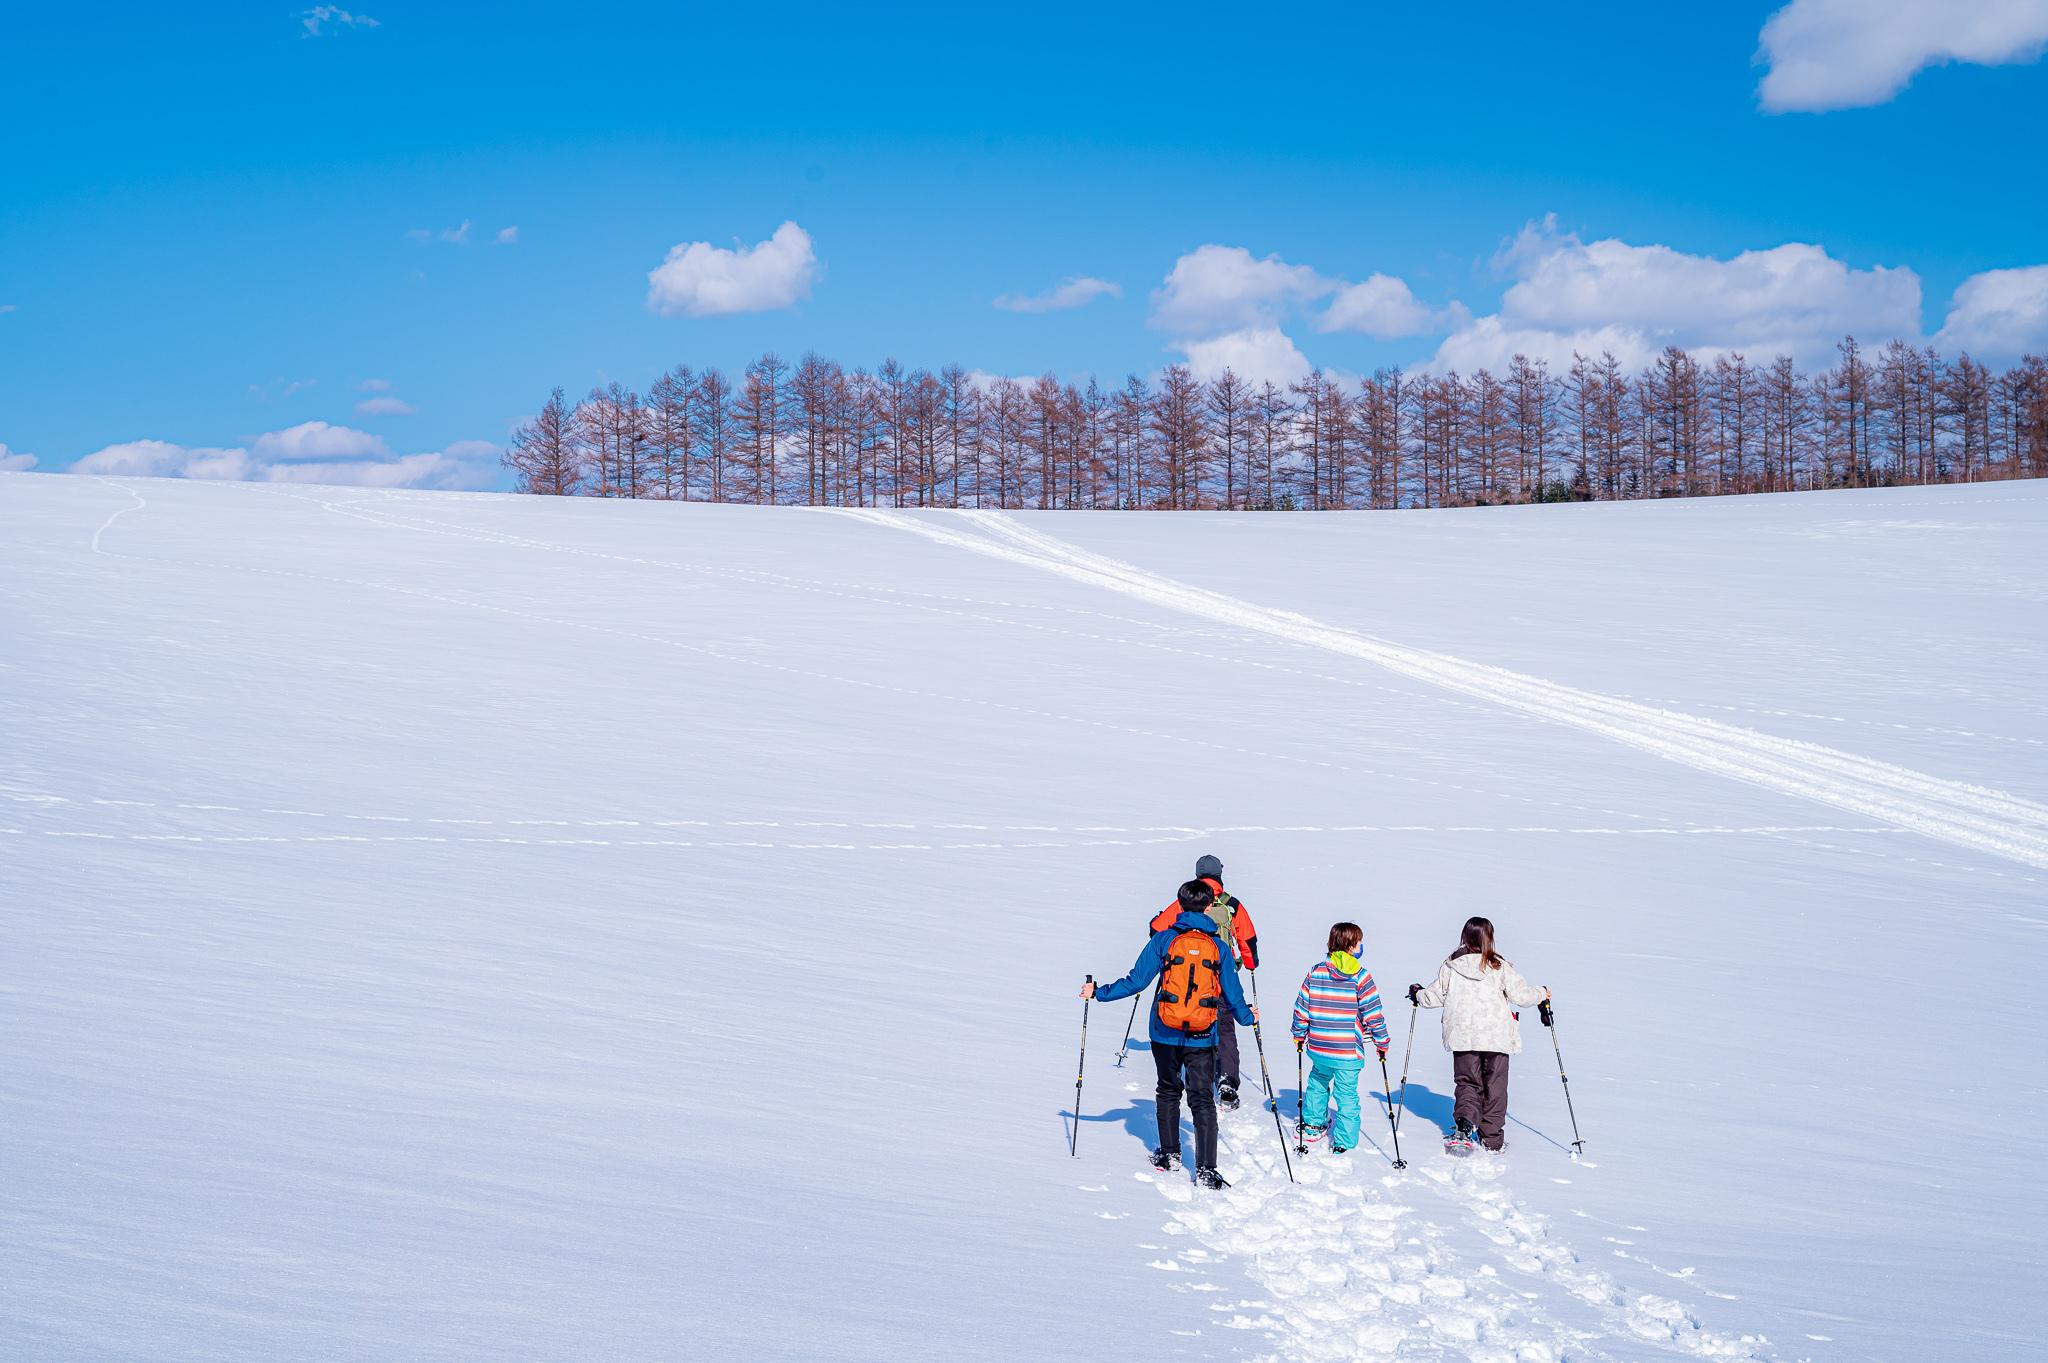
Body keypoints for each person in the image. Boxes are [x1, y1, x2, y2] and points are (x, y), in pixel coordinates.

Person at [1085, 879, 1256, 1190]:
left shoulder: (1163, 941)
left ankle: (1170, 1155)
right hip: (1203, 1034)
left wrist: (1098, 992)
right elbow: (1232, 992)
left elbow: (1136, 982)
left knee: (1168, 1091)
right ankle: (1206, 1168)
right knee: (1202, 1098)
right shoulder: (1218, 946)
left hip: (1164, 1031)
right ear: (1208, 907)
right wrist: (1247, 1017)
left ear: (1180, 906)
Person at [1408, 916, 1548, 1153]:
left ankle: (1464, 1127)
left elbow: (1434, 997)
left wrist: (1418, 994)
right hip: (1497, 1038)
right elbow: (1522, 995)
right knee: (1495, 1086)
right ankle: (1492, 1140)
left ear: (1465, 936)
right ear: (1489, 939)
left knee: (1468, 1083)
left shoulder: (1452, 966)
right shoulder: (1500, 967)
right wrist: (1542, 993)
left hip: (1463, 1037)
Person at [1149, 853, 1258, 1109]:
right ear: (1220, 874)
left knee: (1194, 1025)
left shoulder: (1186, 900)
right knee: (1225, 1029)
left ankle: (1199, 1078)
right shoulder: (1232, 905)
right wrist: (1250, 964)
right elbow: (1248, 939)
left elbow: (1156, 928)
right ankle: (1228, 1079)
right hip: (1220, 978)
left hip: (1186, 984)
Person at [1288, 921, 1390, 1155]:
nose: (1362, 945)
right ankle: (1344, 1140)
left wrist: (1298, 1034)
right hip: (1347, 1051)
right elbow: (1373, 1013)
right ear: (1351, 946)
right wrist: (1381, 1041)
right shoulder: (1361, 977)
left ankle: (1313, 1123)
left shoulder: (1316, 971)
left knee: (1318, 1082)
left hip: (1320, 1046)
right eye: (1359, 942)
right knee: (1346, 1094)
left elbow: (1302, 1006)